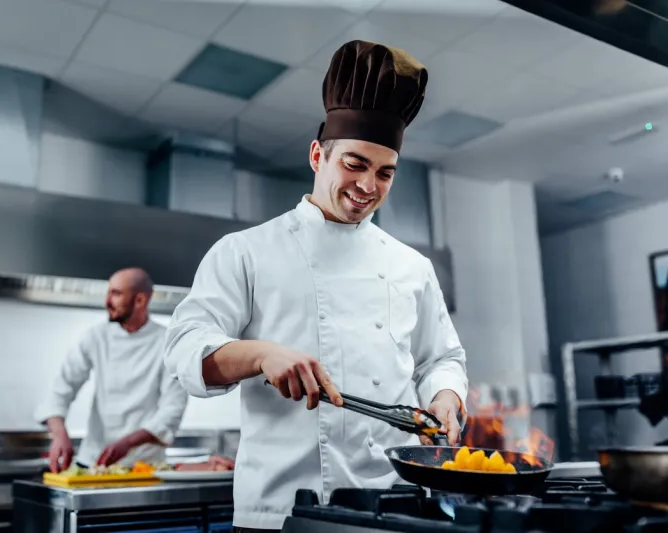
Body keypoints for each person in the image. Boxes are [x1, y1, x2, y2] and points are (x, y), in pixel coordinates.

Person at [164, 40, 469, 532]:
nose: (368, 186)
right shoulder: (246, 251)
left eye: (384, 173)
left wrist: (447, 398)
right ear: (316, 155)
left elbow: (442, 359)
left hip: (394, 507)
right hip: (281, 511)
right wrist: (262, 354)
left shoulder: (412, 266)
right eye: (354, 164)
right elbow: (185, 352)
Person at [36, 267, 188, 472]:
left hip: (143, 467)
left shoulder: (167, 343)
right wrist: (59, 434)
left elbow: (172, 410)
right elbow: (62, 387)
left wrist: (128, 443)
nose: (107, 301)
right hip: (93, 462)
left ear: (140, 300)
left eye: (116, 294)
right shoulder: (96, 337)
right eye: (108, 292)